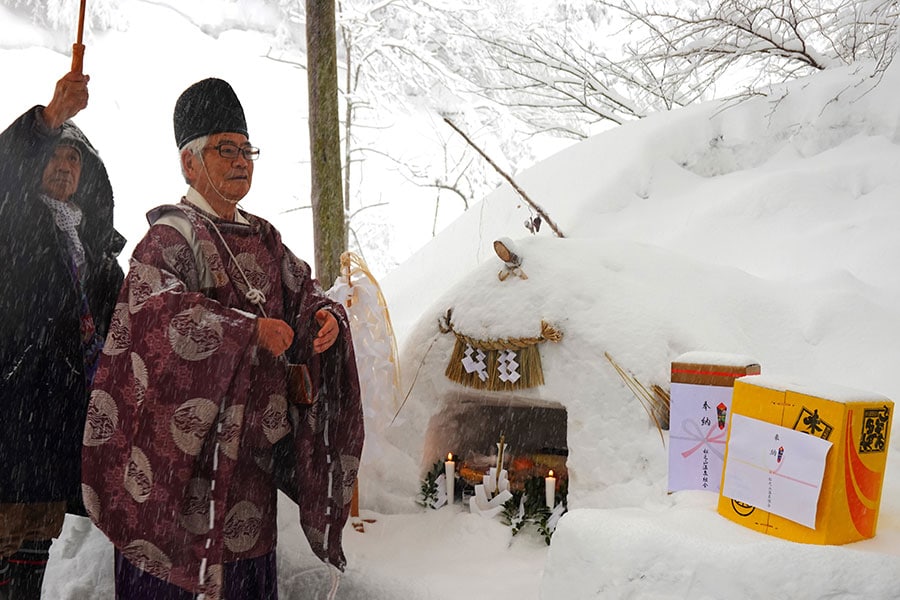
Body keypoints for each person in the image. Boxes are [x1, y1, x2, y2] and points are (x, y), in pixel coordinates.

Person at [82, 77, 364, 599]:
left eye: (246, 149)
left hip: (247, 479)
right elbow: (153, 323)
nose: (241, 161)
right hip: (177, 480)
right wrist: (246, 332)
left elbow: (304, 292)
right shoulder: (167, 239)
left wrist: (323, 319)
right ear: (189, 164)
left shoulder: (264, 238)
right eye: (224, 150)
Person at [0, 71, 125, 599]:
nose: (64, 165)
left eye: (74, 159)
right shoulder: (15, 224)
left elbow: (135, 321)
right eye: (54, 156)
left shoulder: (97, 256)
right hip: (11, 414)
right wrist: (50, 119)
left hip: (52, 429)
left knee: (30, 557)